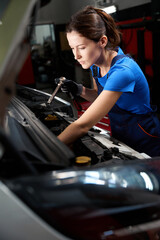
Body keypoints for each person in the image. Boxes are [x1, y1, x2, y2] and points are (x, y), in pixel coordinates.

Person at [57, 5, 160, 157]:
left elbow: (82, 126)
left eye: (82, 47)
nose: (76, 56)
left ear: (102, 41)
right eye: (72, 48)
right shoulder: (96, 66)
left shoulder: (122, 72)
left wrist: (49, 147)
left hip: (144, 139)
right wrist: (78, 89)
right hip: (121, 136)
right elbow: (101, 97)